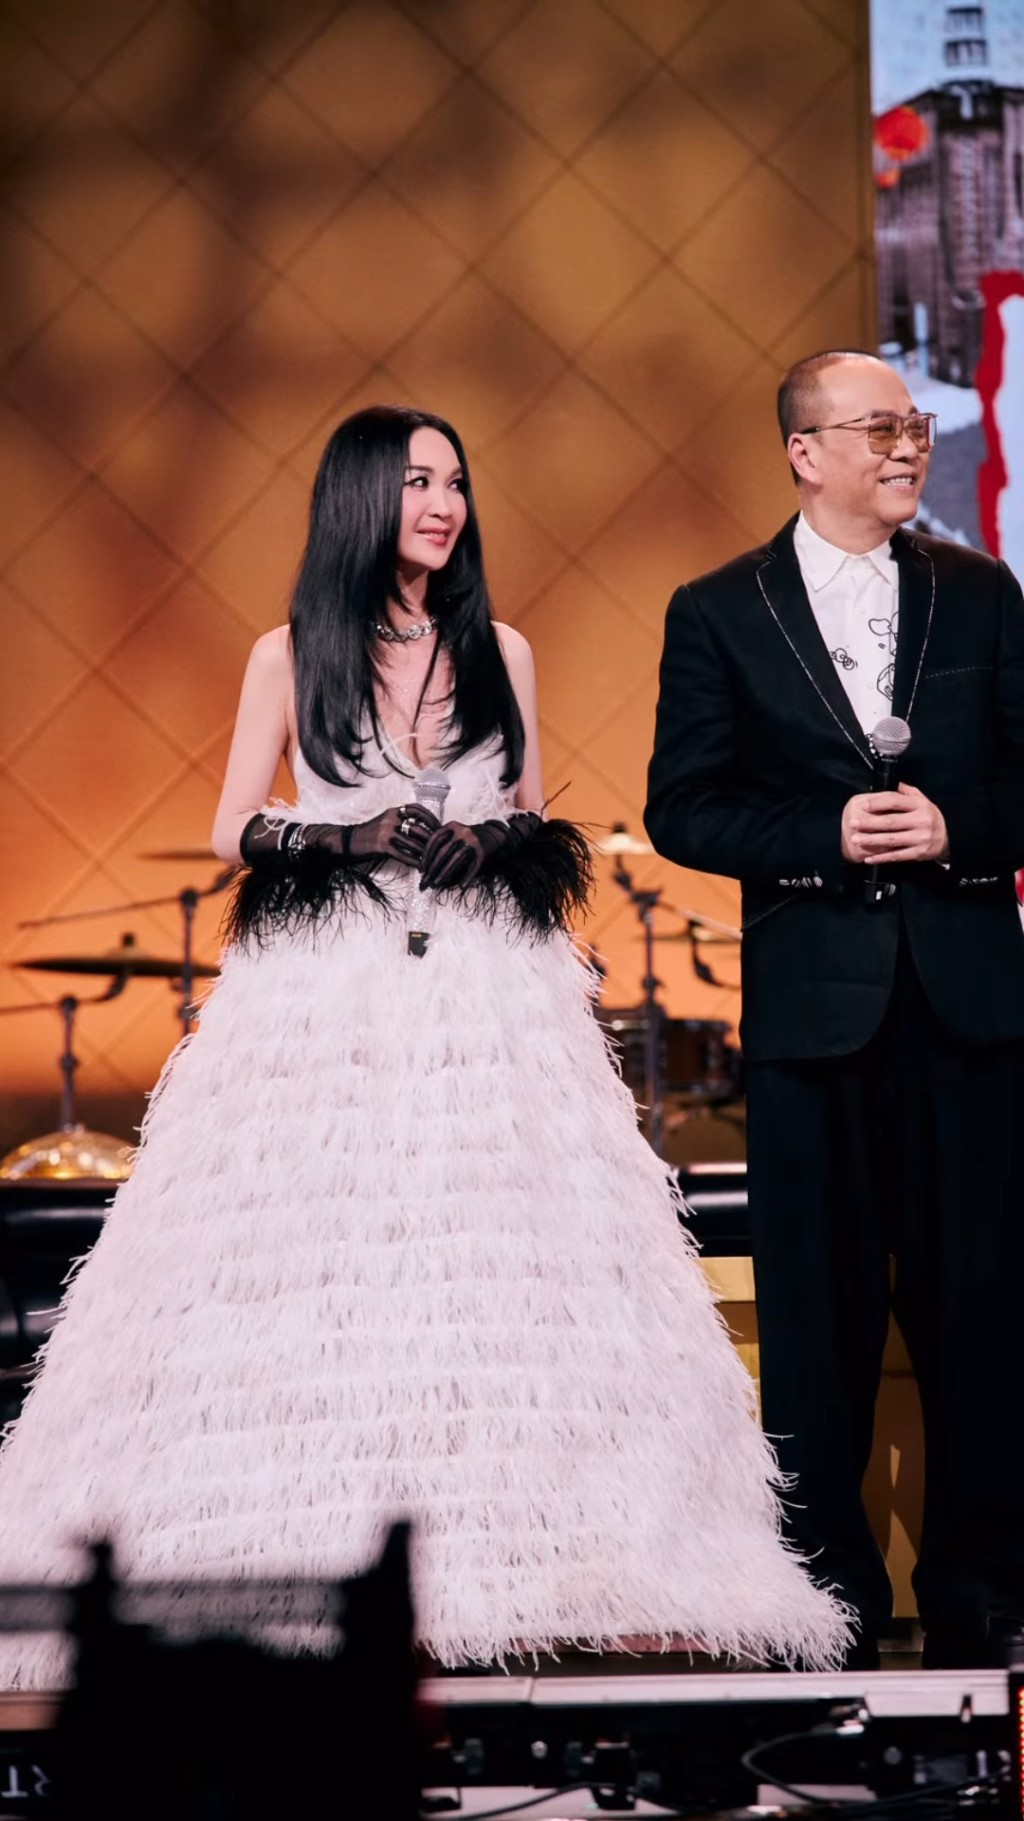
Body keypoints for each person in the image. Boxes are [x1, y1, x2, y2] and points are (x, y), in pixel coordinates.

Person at [0, 405, 848, 1689]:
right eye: (415, 482)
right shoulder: (289, 653)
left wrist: (489, 840)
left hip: (488, 989)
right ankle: (293, 1561)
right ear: (360, 498)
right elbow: (234, 826)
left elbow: (534, 809)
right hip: (328, 992)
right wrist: (339, 838)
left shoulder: (501, 647)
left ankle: (550, 1571)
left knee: (501, 1252)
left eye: (454, 481)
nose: (443, 504)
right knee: (325, 1256)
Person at [645, 351, 1024, 1670]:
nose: (908, 446)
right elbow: (683, 806)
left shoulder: (980, 592)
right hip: (814, 1020)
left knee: (982, 1310)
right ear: (805, 453)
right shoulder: (719, 609)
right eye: (878, 429)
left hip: (969, 1012)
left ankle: (984, 1591)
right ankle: (828, 1599)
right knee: (818, 1326)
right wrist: (824, 836)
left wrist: (957, 828)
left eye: (912, 426)